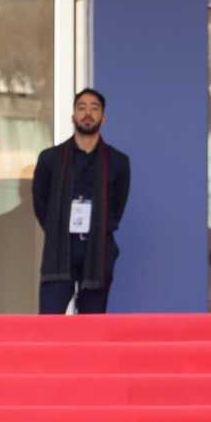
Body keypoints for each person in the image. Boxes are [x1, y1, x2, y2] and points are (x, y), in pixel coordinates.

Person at [31, 88, 130, 313]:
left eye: (94, 108)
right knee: (49, 324)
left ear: (103, 118)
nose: (88, 113)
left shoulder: (118, 162)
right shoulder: (50, 159)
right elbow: (41, 203)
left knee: (92, 327)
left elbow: (117, 207)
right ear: (73, 116)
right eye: (81, 108)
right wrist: (57, 228)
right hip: (59, 250)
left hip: (98, 252)